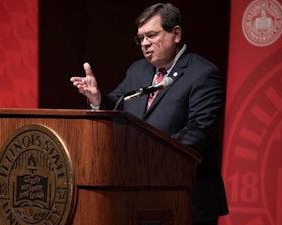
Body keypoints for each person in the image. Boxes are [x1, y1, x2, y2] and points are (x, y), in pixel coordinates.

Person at [70, 3, 229, 225]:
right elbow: (118, 104)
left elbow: (199, 131)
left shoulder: (203, 74)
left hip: (188, 198)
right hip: (139, 196)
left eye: (151, 35)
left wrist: (148, 157)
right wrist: (96, 98)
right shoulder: (138, 70)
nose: (145, 44)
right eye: (140, 38)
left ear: (176, 34)